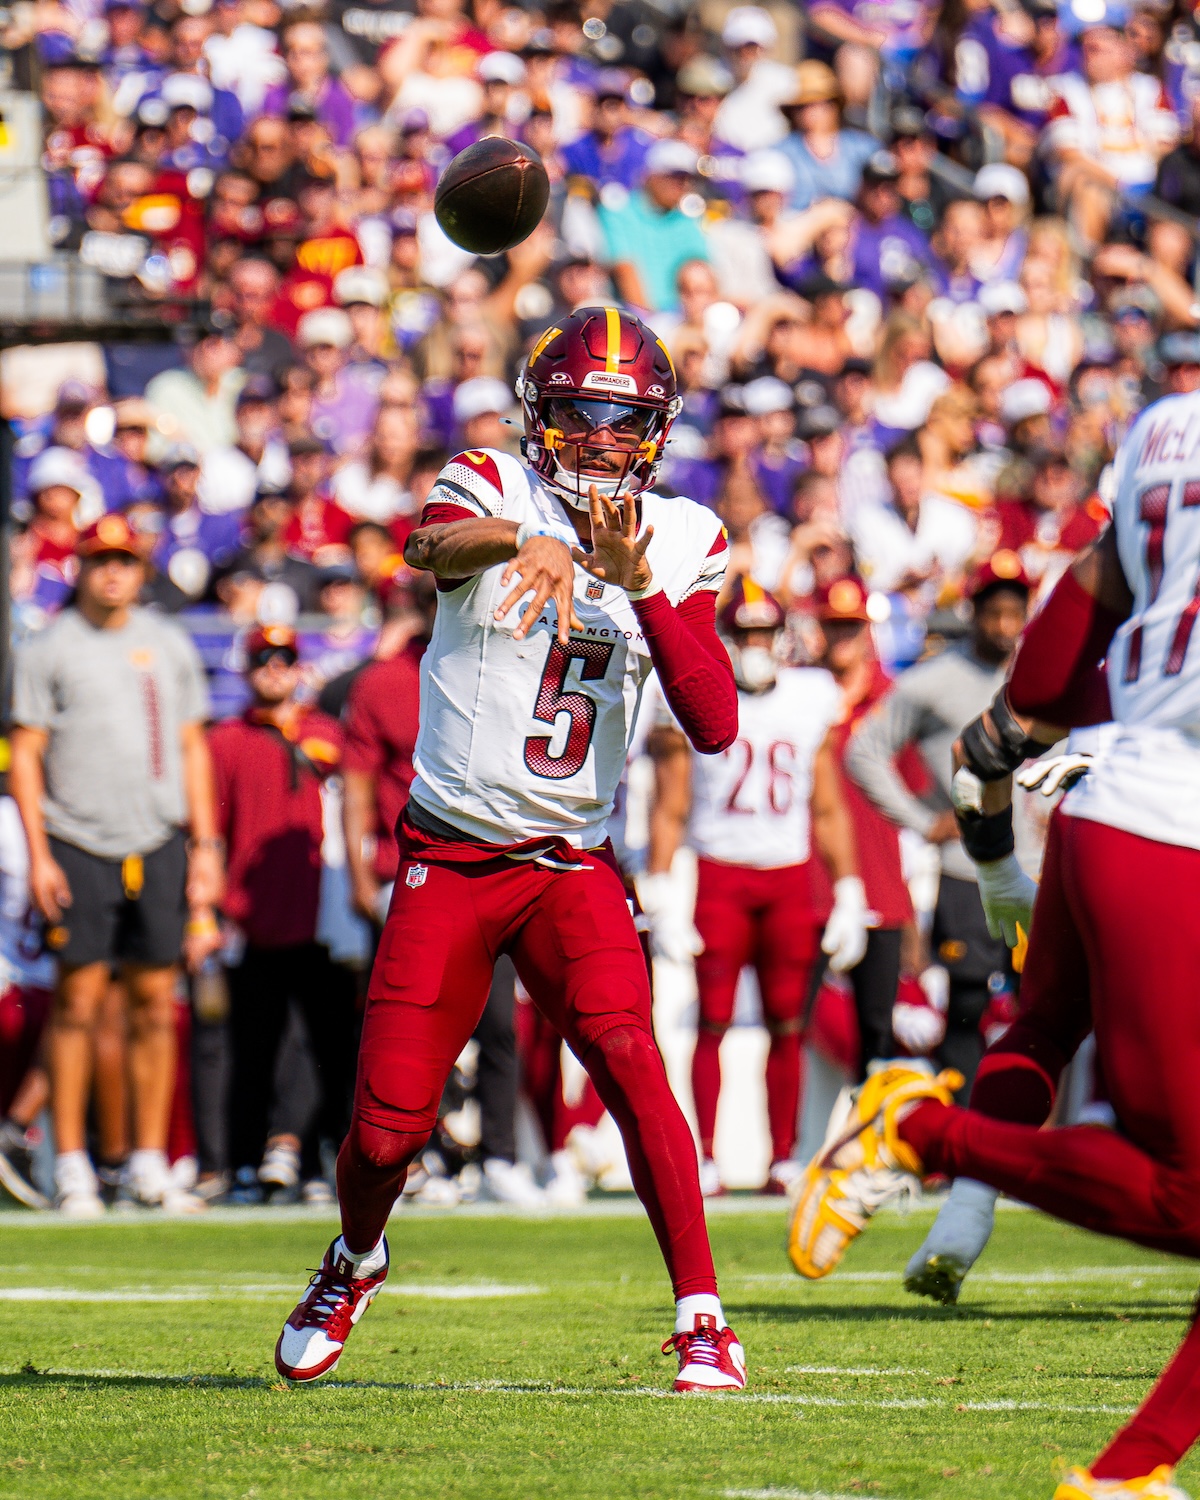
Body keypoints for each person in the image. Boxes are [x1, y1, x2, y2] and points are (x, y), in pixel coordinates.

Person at [274, 307, 747, 1396]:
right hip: (451, 856)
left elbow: (714, 721)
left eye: (623, 419)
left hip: (573, 861)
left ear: (659, 430)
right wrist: (526, 540)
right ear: (541, 417)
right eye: (579, 413)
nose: (598, 439)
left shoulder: (685, 536)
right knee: (387, 1134)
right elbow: (427, 546)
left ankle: (705, 1318)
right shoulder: (493, 481)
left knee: (633, 1062)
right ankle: (354, 1258)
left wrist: (632, 584)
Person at [787, 374, 1200, 1500]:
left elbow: (1076, 620)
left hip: (1114, 806)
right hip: (1176, 827)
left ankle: (1131, 1470)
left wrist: (1005, 807)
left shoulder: (1167, 425)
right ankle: (922, 1136)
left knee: (1047, 1023)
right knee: (1186, 1198)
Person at [9, 513, 222, 1216]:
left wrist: (205, 848)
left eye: (125, 559)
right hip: (76, 841)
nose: (113, 571)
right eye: (101, 558)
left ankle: (148, 1161)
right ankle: (70, 1162)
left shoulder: (165, 643)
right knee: (75, 1003)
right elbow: (28, 755)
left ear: (141, 567)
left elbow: (193, 747)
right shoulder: (49, 648)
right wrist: (38, 854)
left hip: (157, 838)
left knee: (155, 1006)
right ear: (79, 565)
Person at [645, 578, 869, 1197]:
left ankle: (783, 1157)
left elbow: (826, 804)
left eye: (762, 632)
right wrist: (661, 889)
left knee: (786, 1022)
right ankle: (709, 1156)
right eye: (743, 633)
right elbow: (669, 803)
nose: (754, 644)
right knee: (711, 1020)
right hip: (720, 871)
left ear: (780, 634)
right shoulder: (696, 693)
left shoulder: (809, 697)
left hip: (788, 875)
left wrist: (848, 886)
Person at [845, 555, 1031, 1095]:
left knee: (1039, 1007)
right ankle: (964, 1142)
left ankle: (1028, 1142)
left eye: (1014, 613)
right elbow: (865, 753)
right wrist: (922, 822)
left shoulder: (1040, 676)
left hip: (1037, 865)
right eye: (993, 613)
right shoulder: (932, 681)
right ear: (973, 613)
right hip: (966, 867)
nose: (1004, 626)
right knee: (968, 1002)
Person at [207, 624, 355, 1202]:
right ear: (246, 669)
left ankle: (327, 1162)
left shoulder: (326, 733)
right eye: (263, 658)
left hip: (323, 918)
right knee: (252, 1050)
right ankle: (242, 1162)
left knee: (333, 1051)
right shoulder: (227, 740)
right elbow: (212, 829)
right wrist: (214, 910)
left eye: (285, 658)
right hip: (254, 916)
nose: (275, 667)